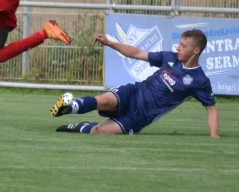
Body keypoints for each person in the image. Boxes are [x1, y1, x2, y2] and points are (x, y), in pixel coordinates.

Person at [51, 29, 220, 137]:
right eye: (179, 44)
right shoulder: (169, 57)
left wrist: (214, 136)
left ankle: (79, 126)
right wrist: (110, 43)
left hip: (139, 117)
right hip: (133, 93)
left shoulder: (200, 80)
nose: (178, 48)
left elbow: (211, 109)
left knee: (99, 132)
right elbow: (137, 53)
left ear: (196, 50)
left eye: (183, 46)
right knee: (104, 101)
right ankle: (68, 108)